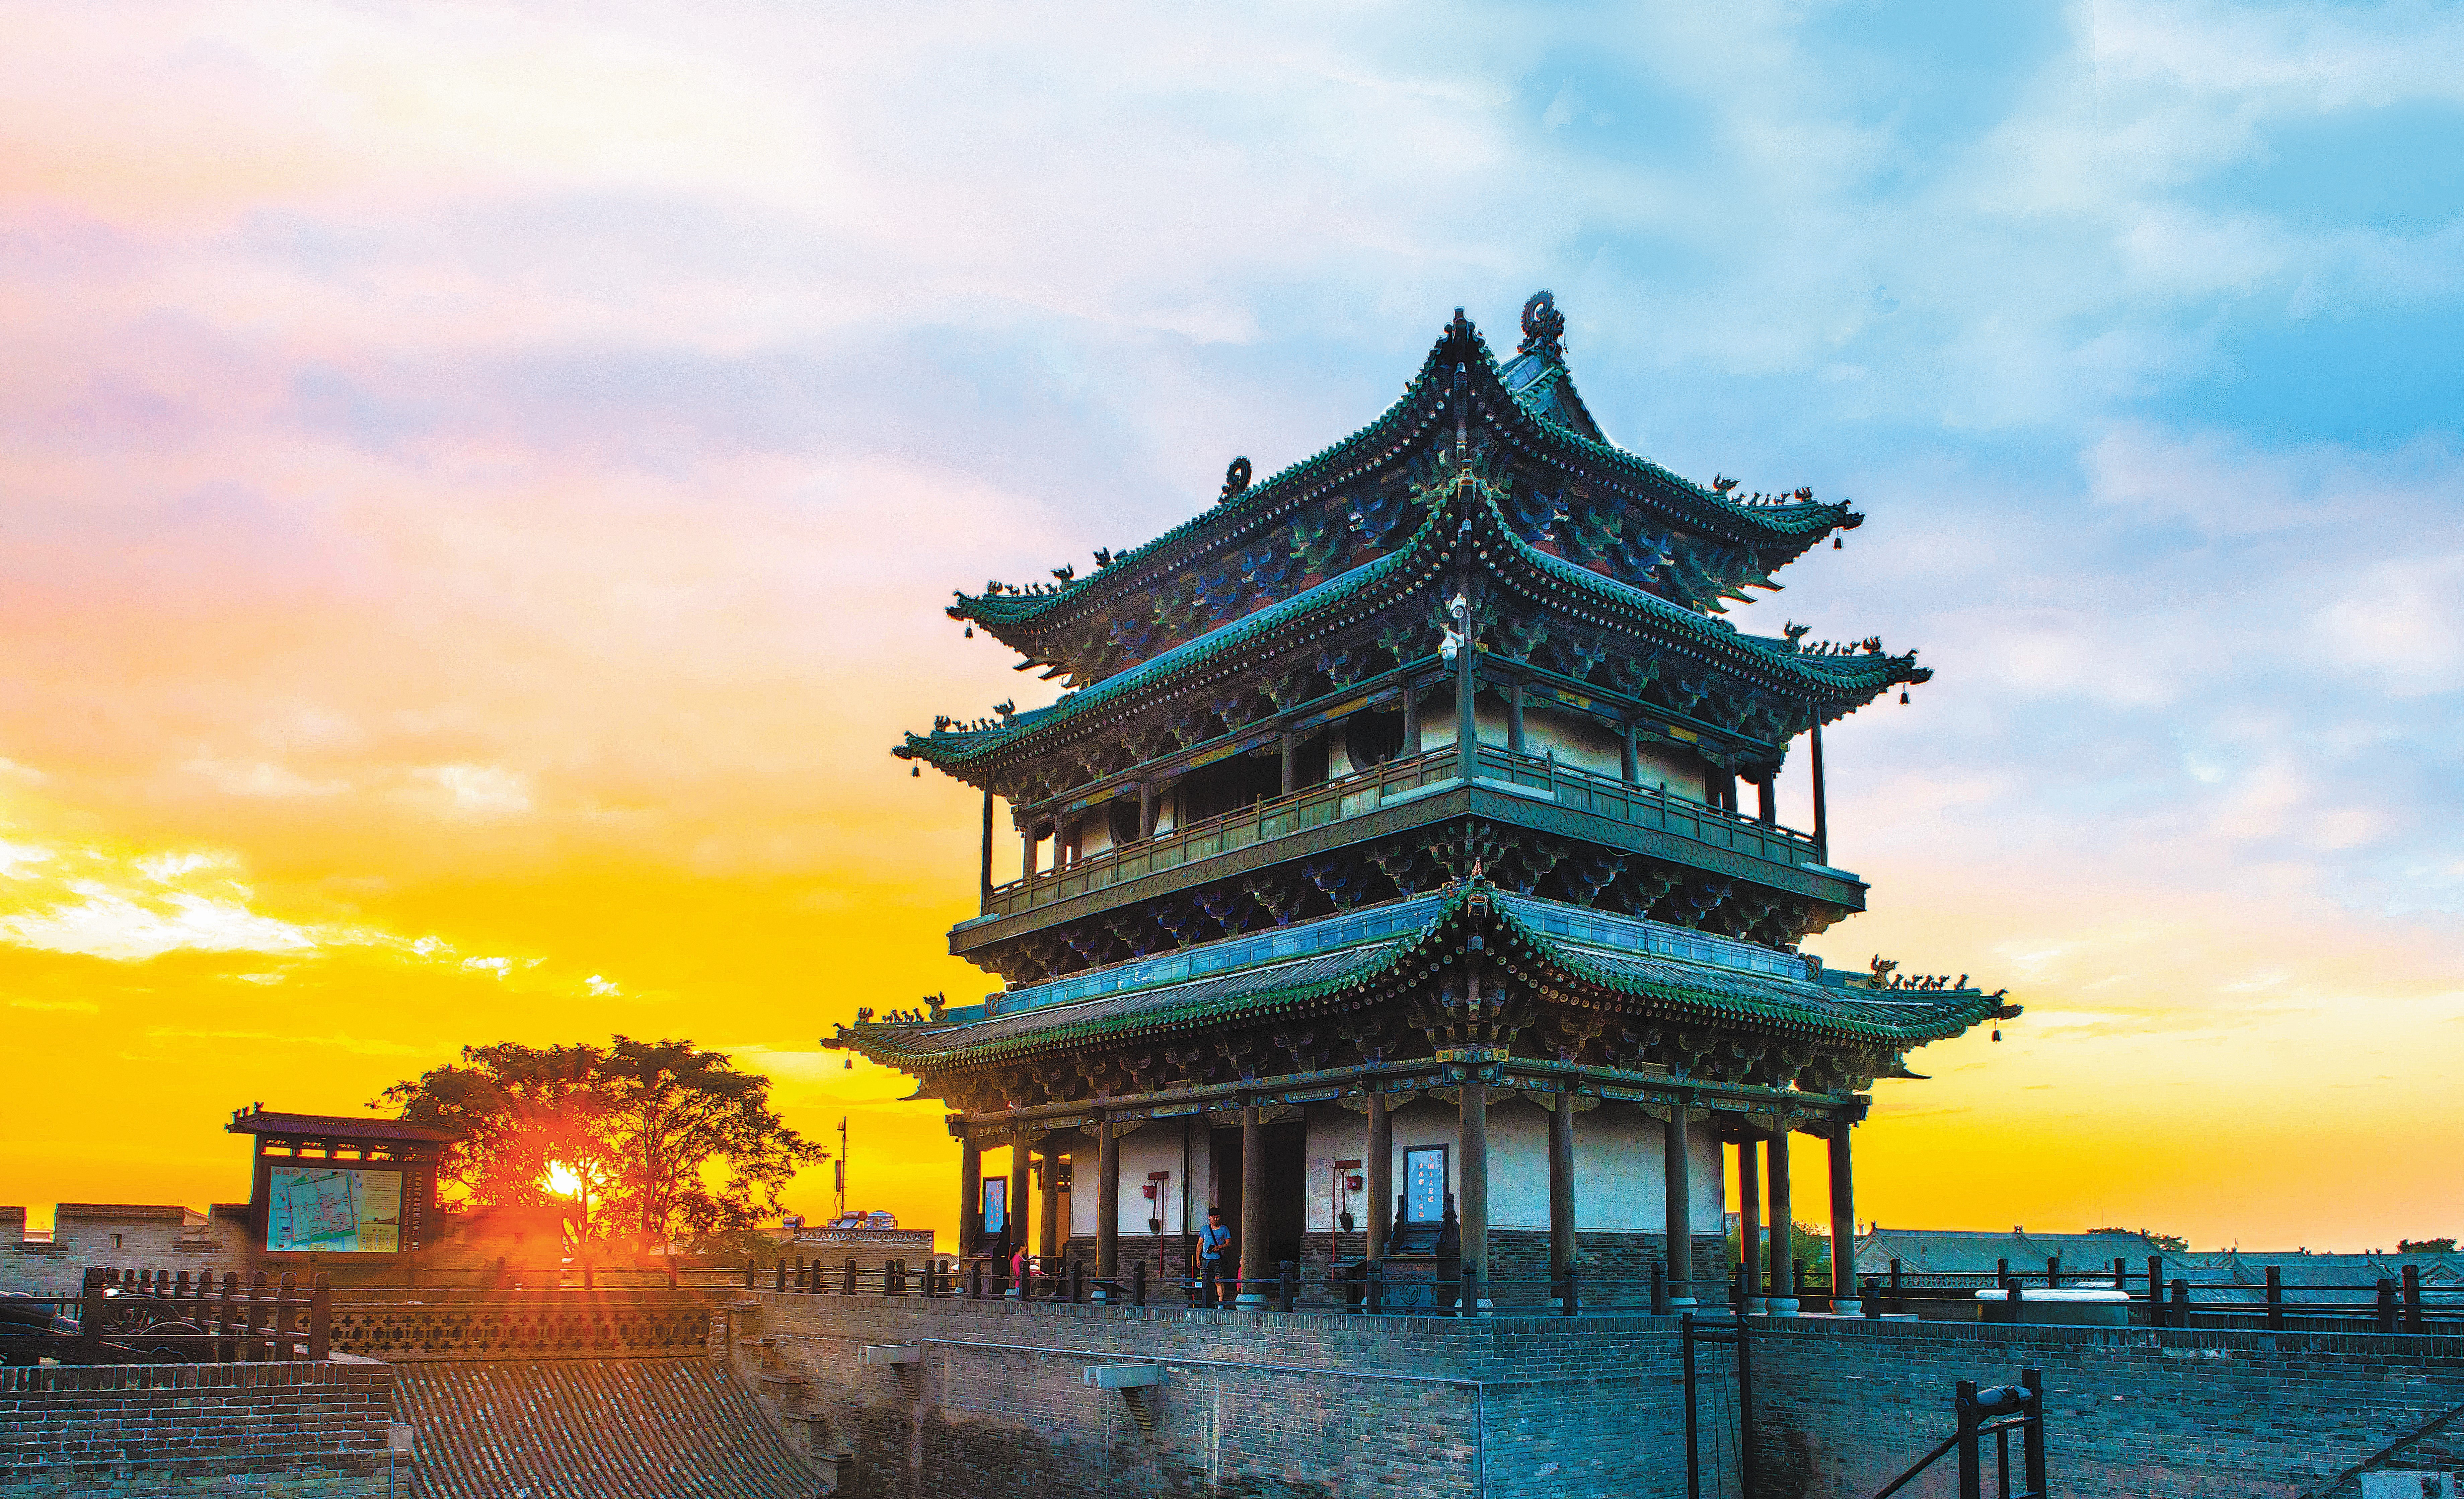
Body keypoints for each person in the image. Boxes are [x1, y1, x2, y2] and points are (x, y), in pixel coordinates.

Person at [1198, 1207, 1234, 1307]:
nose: (1215, 1220)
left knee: (1219, 1280)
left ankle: (1221, 1303)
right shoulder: (1205, 1229)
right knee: (1205, 1280)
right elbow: (1200, 1244)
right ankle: (1206, 1302)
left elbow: (1229, 1243)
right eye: (1213, 1218)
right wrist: (1198, 1258)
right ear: (1209, 1218)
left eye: (1217, 1218)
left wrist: (1220, 1247)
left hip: (1218, 1258)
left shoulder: (1224, 1229)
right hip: (1206, 1258)